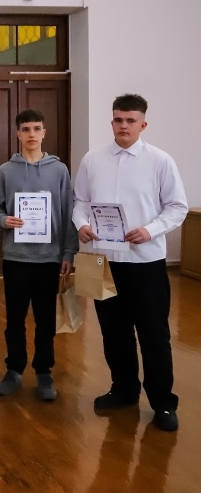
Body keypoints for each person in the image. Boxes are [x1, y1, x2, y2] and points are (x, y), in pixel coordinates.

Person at [73, 94, 187, 431]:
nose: (124, 126)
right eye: (119, 120)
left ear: (143, 124)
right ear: (112, 122)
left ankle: (163, 403)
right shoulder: (93, 160)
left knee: (153, 334)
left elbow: (177, 207)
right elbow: (80, 201)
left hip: (145, 262)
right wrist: (81, 224)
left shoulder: (160, 161)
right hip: (105, 261)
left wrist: (150, 230)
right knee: (114, 332)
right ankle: (123, 390)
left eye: (131, 121)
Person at [0, 109, 78, 401]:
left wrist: (68, 252)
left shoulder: (59, 170)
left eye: (36, 128)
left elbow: (68, 213)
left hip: (49, 259)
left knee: (46, 319)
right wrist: (4, 220)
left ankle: (44, 371)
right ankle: (14, 369)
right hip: (16, 258)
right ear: (18, 133)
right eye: (26, 129)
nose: (31, 134)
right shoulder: (6, 171)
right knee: (14, 319)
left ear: (44, 132)